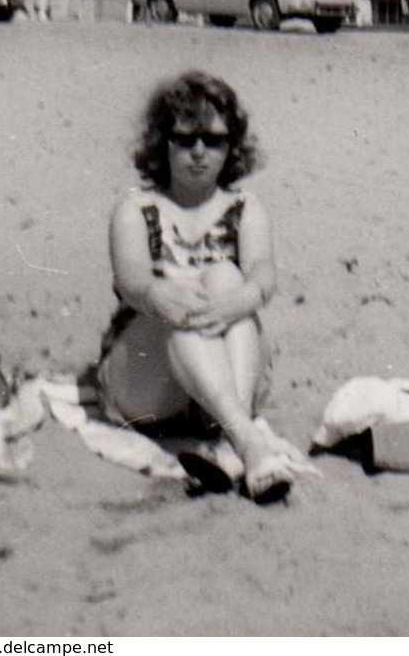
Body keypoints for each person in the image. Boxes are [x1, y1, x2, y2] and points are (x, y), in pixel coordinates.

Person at [93, 71, 294, 503]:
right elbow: (132, 283)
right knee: (181, 302)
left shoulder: (246, 210)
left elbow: (263, 275)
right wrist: (161, 295)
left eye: (214, 140)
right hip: (148, 379)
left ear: (232, 146)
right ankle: (248, 443)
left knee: (227, 278)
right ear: (163, 142)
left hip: (221, 382)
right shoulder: (135, 209)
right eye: (186, 140)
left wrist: (237, 298)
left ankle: (229, 445)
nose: (199, 152)